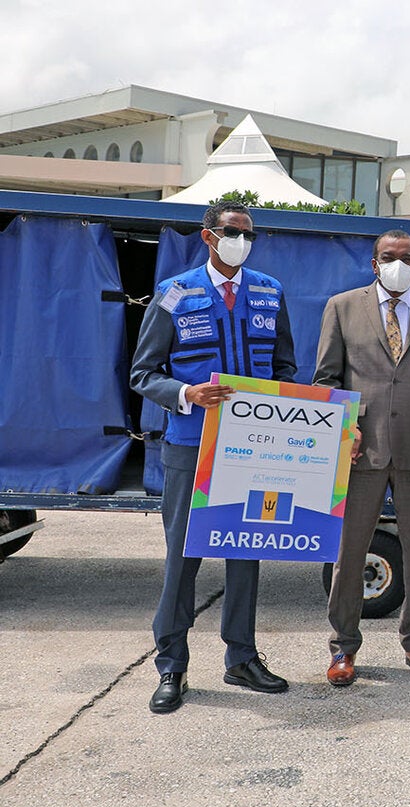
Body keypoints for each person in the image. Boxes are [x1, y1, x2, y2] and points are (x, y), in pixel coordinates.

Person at [131, 200, 296, 713]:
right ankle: (172, 666)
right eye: (232, 232)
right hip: (191, 447)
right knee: (183, 559)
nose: (241, 241)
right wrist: (186, 394)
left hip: (252, 452)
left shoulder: (270, 291)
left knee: (245, 552)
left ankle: (241, 658)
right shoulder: (175, 293)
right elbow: (143, 374)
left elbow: (286, 369)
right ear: (208, 236)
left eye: (248, 234)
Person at [314, 229, 410, 686]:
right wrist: (346, 426)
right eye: (389, 256)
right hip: (361, 449)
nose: (398, 263)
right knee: (350, 553)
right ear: (374, 263)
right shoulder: (342, 307)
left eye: (408, 257)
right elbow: (325, 380)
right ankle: (343, 648)